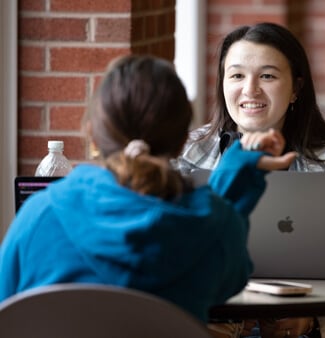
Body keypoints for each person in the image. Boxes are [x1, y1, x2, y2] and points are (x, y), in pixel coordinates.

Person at [0, 55, 296, 323]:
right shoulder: (213, 230)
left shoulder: (40, 215)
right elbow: (231, 273)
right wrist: (236, 178)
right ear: (182, 141)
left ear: (92, 134)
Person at [177, 22, 325, 338]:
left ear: (296, 88)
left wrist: (313, 320)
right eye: (236, 75)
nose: (250, 90)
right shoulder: (185, 154)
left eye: (267, 76)